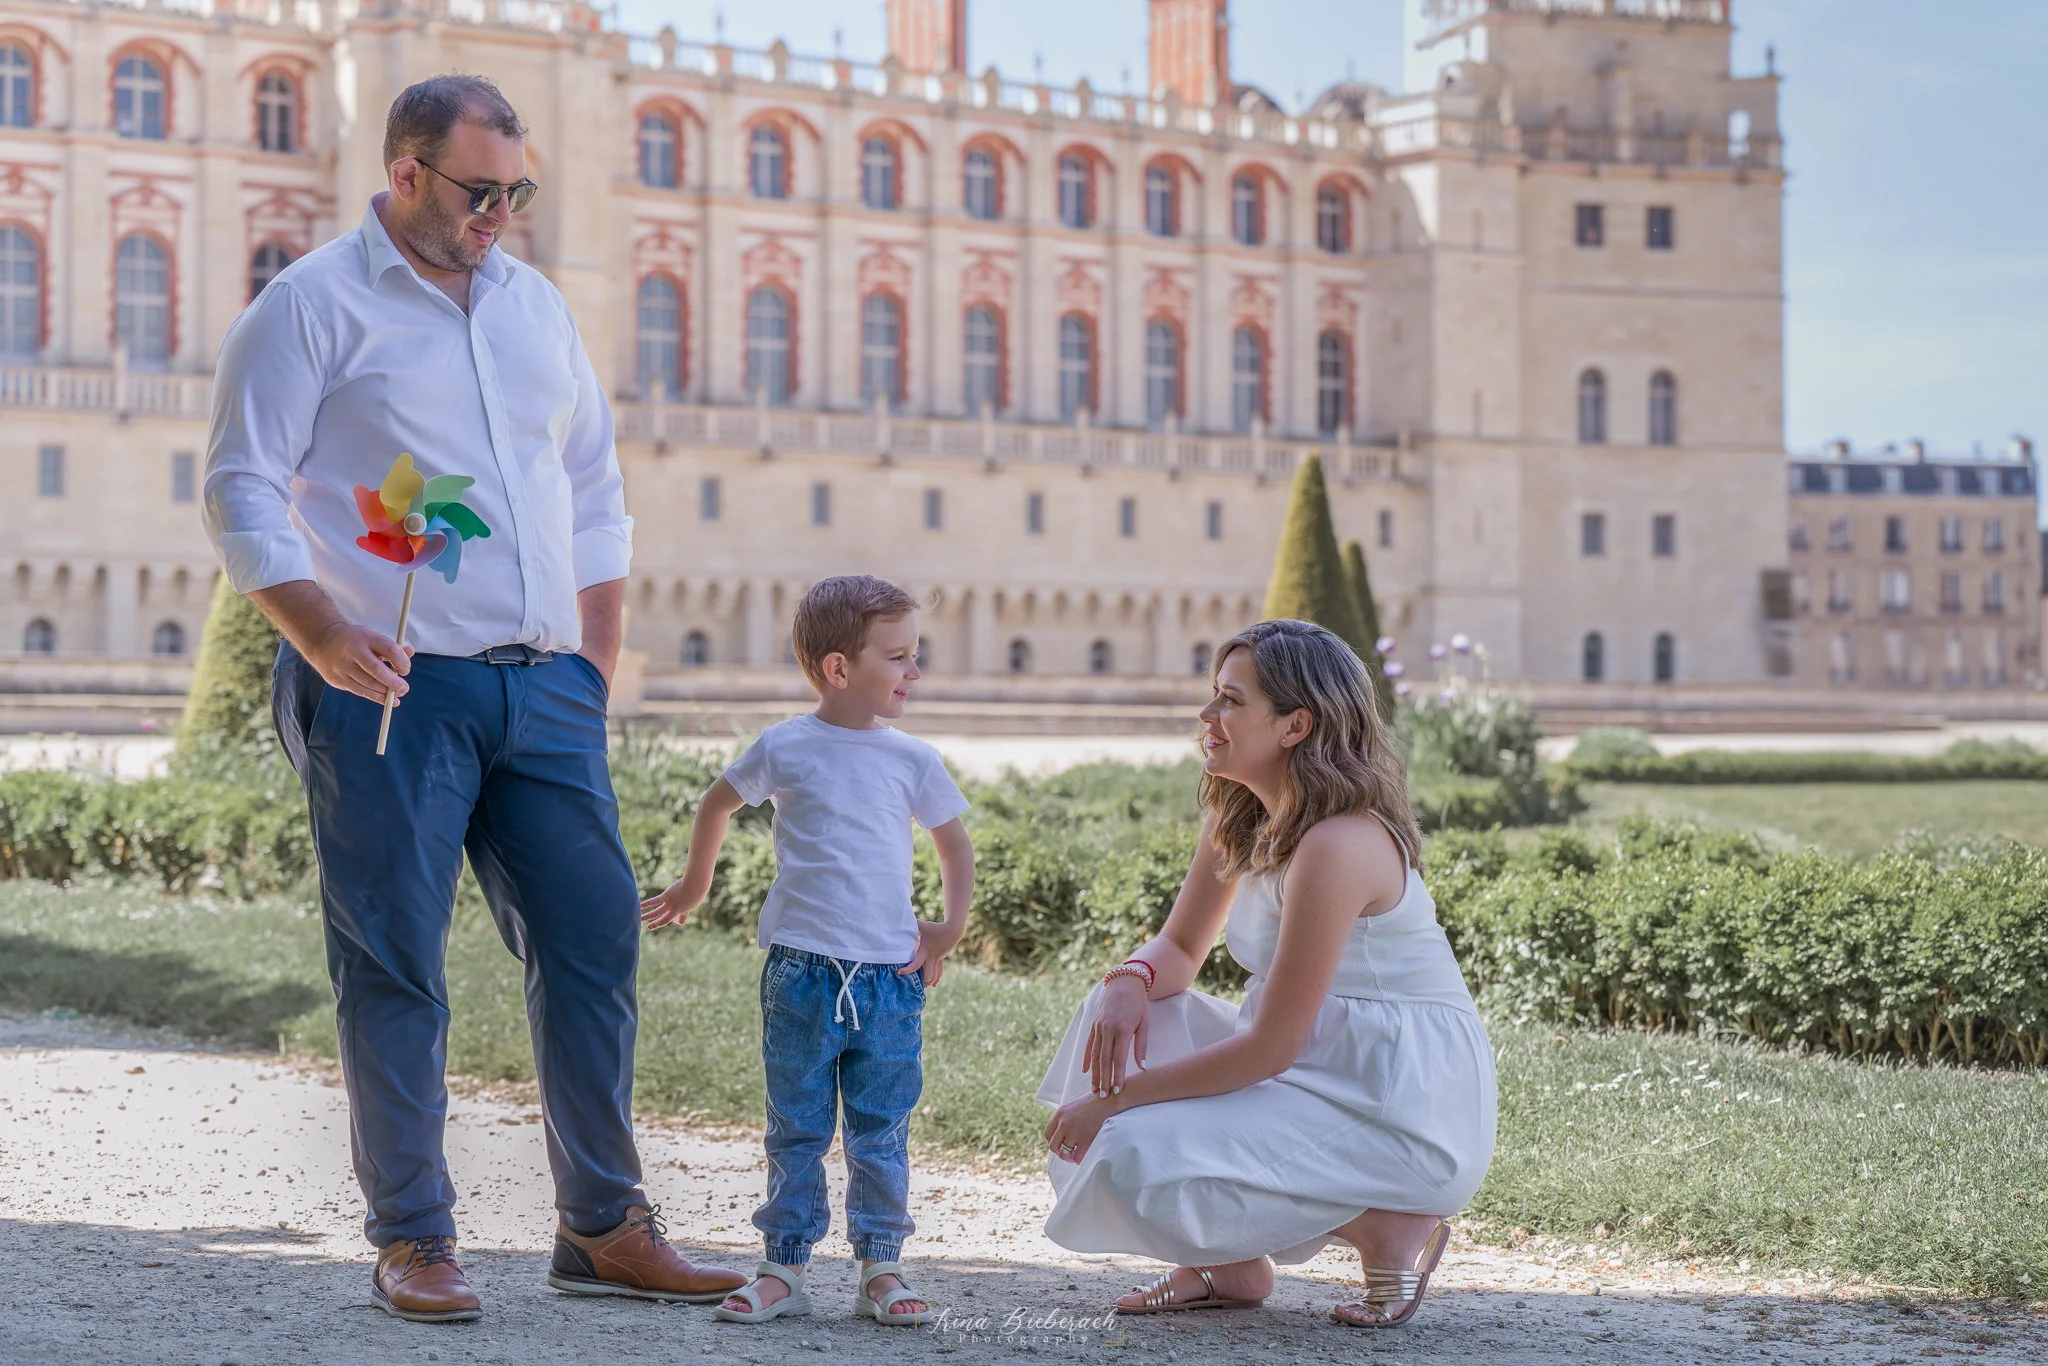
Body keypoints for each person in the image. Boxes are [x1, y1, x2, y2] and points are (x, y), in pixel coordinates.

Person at [202, 73, 744, 1323]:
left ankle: (602, 1224)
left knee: (596, 937)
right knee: (394, 959)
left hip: (543, 689)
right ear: (403, 172)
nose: (502, 211)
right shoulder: (310, 306)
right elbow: (242, 488)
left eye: (519, 189)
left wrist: (590, 667)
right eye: (479, 189)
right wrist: (325, 633)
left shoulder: (537, 307)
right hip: (389, 686)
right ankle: (414, 1234)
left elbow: (595, 489)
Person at [1039, 619, 1497, 1329]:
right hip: (1311, 1064)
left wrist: (1119, 1101)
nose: (1207, 716)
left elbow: (1269, 1049)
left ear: (1294, 725)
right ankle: (1231, 1265)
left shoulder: (1340, 844)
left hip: (1395, 1098)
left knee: (1126, 1150)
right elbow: (1182, 951)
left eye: (1229, 700)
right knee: (1113, 1016)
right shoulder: (1241, 811)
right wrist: (1128, 979)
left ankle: (1387, 1222)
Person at [640, 575, 976, 1327]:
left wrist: (947, 929)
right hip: (799, 974)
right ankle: (783, 1268)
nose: (914, 671)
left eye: (913, 654)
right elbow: (718, 802)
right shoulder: (786, 745)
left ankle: (880, 1268)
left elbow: (954, 845)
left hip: (889, 981)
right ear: (837, 668)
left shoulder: (912, 759)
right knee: (795, 1127)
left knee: (880, 1131)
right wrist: (695, 884)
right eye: (898, 656)